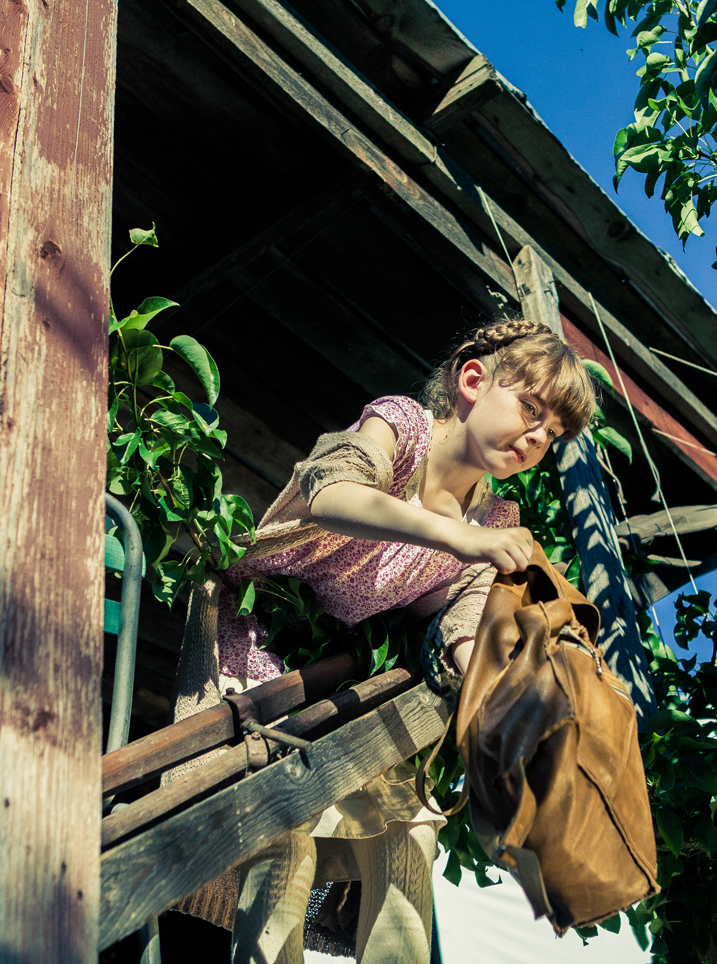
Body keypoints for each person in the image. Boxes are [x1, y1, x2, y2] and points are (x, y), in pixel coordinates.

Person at [165, 317, 597, 964]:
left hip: (336, 672)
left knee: (411, 830)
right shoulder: (402, 428)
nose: (537, 438)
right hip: (255, 635)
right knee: (284, 821)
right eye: (531, 410)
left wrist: (516, 704)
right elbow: (332, 494)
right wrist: (459, 536)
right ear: (473, 380)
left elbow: (460, 631)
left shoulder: (495, 518)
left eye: (553, 434)